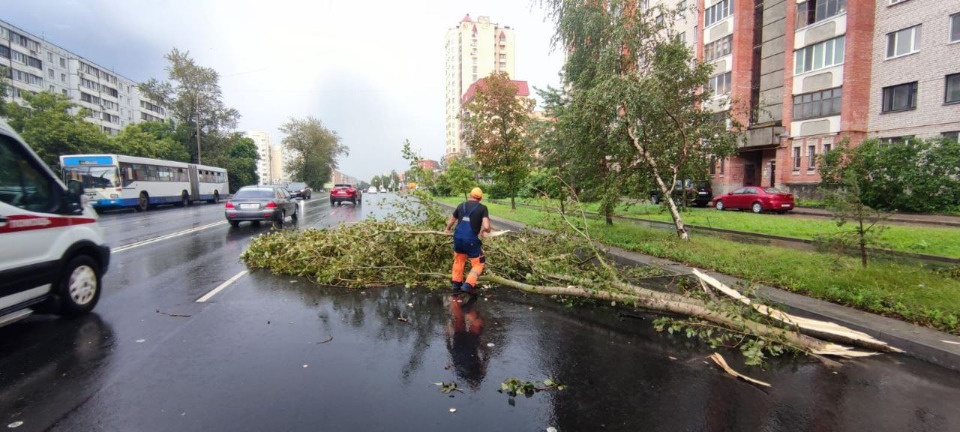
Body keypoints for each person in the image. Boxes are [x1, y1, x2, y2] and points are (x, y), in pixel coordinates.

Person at [444, 187, 491, 296]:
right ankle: (468, 285)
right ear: (480, 198)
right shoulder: (482, 208)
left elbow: (452, 220)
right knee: (479, 262)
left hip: (457, 238)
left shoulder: (461, 205)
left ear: (470, 195)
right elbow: (486, 226)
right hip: (470, 240)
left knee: (459, 260)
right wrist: (485, 230)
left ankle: (456, 284)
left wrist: (447, 229)